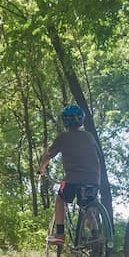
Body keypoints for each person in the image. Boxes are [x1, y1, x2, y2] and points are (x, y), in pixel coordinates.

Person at [37, 105, 101, 245]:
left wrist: (41, 169)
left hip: (73, 181)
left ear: (64, 122)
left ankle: (59, 234)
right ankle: (96, 234)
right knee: (87, 206)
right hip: (93, 180)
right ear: (82, 121)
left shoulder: (63, 137)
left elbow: (48, 156)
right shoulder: (89, 136)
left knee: (60, 198)